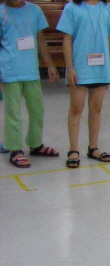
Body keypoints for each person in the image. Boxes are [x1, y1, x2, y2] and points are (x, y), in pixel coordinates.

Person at [58, 0, 110, 169]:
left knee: (96, 108)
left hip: (101, 67)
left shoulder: (107, 7)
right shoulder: (72, 7)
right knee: (76, 108)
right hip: (80, 67)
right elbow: (67, 39)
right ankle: (73, 149)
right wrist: (70, 67)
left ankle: (93, 147)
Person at [0, 0, 59, 168]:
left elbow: (41, 40)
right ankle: (15, 149)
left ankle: (35, 144)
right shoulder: (2, 12)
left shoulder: (35, 10)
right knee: (13, 113)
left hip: (31, 70)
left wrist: (50, 65)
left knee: (37, 109)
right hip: (9, 71)